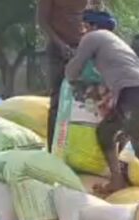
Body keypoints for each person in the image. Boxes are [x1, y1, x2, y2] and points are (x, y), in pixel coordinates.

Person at [66, 9, 139, 193]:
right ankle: (117, 180)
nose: (82, 31)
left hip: (134, 90)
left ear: (93, 26)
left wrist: (68, 73)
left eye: (85, 26)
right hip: (134, 90)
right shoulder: (112, 41)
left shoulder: (94, 37)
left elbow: (73, 70)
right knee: (105, 132)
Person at [38, 0, 89, 144]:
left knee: (85, 101)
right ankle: (53, 147)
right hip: (57, 50)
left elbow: (95, 12)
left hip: (82, 48)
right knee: (57, 99)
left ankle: (78, 146)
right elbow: (42, 21)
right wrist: (60, 44)